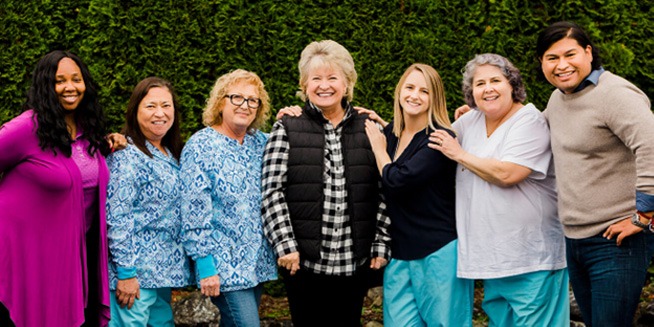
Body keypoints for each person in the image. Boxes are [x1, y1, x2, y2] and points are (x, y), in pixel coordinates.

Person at [429, 53, 568, 326]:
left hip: (533, 259)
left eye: (496, 80)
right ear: (472, 92)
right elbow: (429, 149)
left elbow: (508, 173)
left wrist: (459, 154)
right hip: (490, 258)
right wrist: (387, 130)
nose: (488, 88)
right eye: (480, 84)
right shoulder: (470, 122)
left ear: (512, 85)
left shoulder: (530, 121)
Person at [261, 39, 391, 327]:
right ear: (304, 84)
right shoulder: (287, 127)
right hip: (304, 263)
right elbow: (272, 192)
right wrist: (285, 244)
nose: (324, 85)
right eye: (316, 78)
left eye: (333, 78)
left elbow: (385, 191)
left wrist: (381, 242)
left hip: (354, 262)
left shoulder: (370, 127)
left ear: (347, 83)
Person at [536, 21, 654, 326]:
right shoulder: (558, 99)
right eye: (552, 58)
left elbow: (651, 143)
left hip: (616, 240)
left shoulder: (613, 93)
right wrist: (484, 114)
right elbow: (533, 131)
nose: (561, 65)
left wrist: (645, 214)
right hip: (574, 239)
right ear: (542, 63)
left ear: (588, 52)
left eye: (570, 54)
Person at [0, 50, 113, 327]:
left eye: (76, 79)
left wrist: (111, 144)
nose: (70, 87)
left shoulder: (88, 128)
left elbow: (81, 171)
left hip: (77, 252)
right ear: (45, 86)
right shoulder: (28, 127)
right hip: (29, 253)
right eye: (59, 81)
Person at [364, 63, 473, 326]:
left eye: (424, 91)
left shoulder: (439, 138)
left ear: (434, 98)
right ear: (400, 91)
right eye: (410, 87)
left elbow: (398, 180)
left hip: (438, 251)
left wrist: (379, 150)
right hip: (399, 252)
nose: (415, 95)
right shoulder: (390, 134)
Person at [180, 69, 277, 327]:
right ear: (221, 102)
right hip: (222, 265)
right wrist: (205, 264)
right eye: (237, 98)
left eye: (252, 100)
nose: (244, 105)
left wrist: (291, 116)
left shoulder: (261, 143)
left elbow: (295, 140)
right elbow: (193, 209)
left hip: (255, 263)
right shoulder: (200, 145)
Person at [106, 77, 192, 326]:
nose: (160, 113)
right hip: (134, 278)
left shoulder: (171, 153)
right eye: (151, 106)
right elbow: (118, 217)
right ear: (135, 111)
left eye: (166, 106)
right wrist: (126, 274)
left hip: (161, 276)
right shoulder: (127, 155)